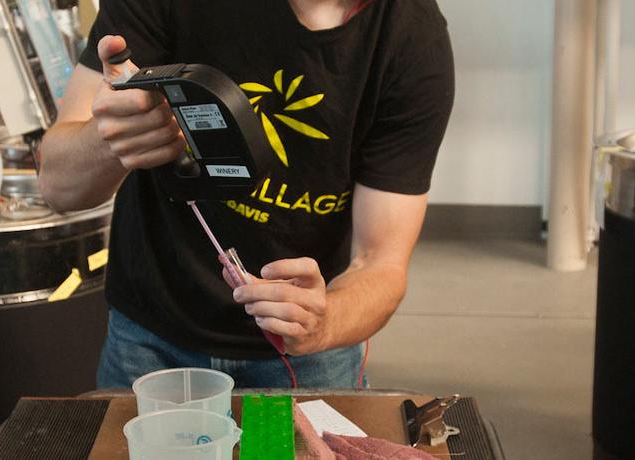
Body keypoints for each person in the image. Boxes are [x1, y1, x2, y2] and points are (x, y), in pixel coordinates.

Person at [38, 0, 455, 389]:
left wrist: (323, 322)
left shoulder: (413, 39)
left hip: (308, 354)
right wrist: (108, 142)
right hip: (150, 341)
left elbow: (381, 264)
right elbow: (58, 186)